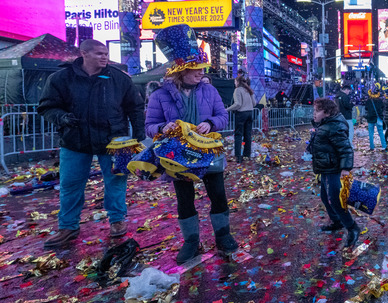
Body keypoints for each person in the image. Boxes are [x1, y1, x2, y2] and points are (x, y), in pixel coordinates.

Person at [38, 39, 145, 248]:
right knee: (70, 184)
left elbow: (135, 106)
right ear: (84, 54)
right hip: (75, 140)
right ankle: (68, 226)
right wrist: (62, 118)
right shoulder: (61, 78)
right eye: (99, 53)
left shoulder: (119, 79)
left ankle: (117, 220)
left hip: (115, 140)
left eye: (105, 53)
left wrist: (139, 134)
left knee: (116, 181)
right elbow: (47, 107)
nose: (104, 57)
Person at [144, 25, 237, 264]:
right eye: (195, 68)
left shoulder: (209, 90)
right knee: (184, 200)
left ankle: (223, 235)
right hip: (178, 156)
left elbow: (222, 116)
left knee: (218, 195)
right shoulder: (159, 96)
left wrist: (210, 123)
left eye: (201, 68)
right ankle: (191, 241)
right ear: (181, 71)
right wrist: (162, 128)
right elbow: (150, 125)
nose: (200, 72)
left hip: (208, 151)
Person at [309, 98, 359, 248]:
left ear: (327, 112)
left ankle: (352, 227)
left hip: (333, 168)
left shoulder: (335, 127)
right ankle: (337, 221)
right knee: (325, 197)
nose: (314, 114)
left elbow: (345, 149)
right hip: (326, 167)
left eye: (317, 111)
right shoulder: (326, 124)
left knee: (336, 200)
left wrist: (345, 168)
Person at [226, 75, 256, 163]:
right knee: (248, 135)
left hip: (241, 114)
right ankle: (247, 155)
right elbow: (254, 103)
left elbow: (238, 104)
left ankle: (238, 156)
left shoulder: (237, 90)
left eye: (235, 81)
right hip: (250, 113)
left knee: (238, 135)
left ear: (238, 82)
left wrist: (227, 109)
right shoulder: (249, 90)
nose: (234, 83)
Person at [364, 85, 387, 151]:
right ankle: (384, 146)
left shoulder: (368, 101)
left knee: (371, 133)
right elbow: (383, 108)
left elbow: (366, 108)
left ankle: (372, 147)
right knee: (381, 132)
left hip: (370, 118)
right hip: (378, 118)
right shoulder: (380, 101)